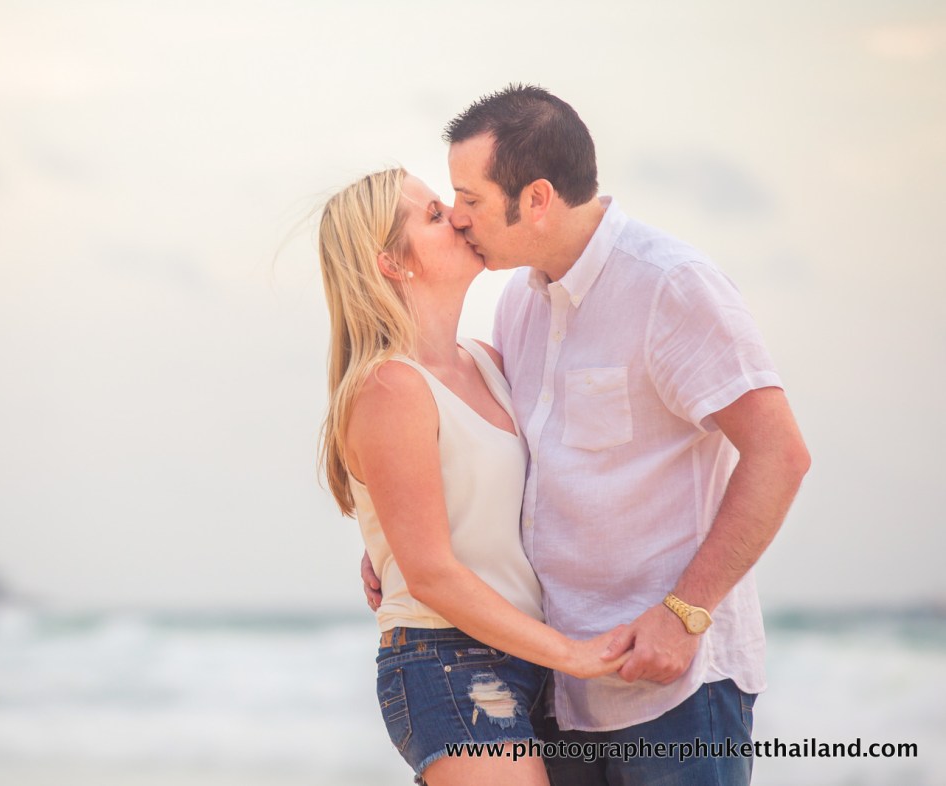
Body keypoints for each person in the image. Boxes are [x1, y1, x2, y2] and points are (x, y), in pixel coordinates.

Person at [363, 86, 810, 785]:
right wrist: (395, 544)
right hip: (557, 691)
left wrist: (684, 613)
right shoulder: (518, 305)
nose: (457, 216)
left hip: (672, 686)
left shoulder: (671, 285)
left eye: (471, 199)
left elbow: (780, 454)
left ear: (536, 198)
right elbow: (478, 455)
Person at [318, 167, 629, 786]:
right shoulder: (390, 386)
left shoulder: (486, 361)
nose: (459, 217)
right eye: (434, 215)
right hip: (447, 662)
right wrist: (574, 654)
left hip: (527, 660)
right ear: (392, 264)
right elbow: (431, 573)